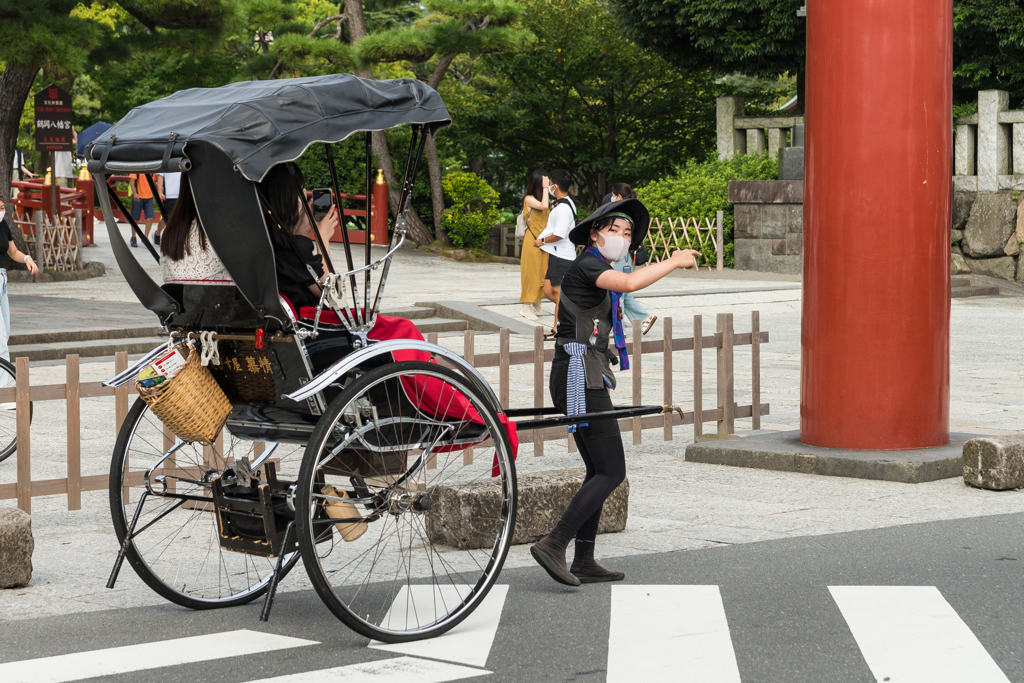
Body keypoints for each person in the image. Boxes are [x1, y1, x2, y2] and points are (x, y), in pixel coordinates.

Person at [530, 198, 699, 586]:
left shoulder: (596, 266)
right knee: (612, 469)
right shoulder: (589, 263)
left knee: (599, 468)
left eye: (626, 234)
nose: (621, 238)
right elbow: (629, 282)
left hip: (582, 370)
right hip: (578, 372)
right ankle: (554, 543)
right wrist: (673, 260)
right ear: (594, 234)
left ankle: (584, 560)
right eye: (613, 231)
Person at [259, 163, 339, 309]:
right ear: (289, 200)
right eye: (299, 193)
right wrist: (322, 238)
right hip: (306, 324)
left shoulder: (265, 241)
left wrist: (302, 232)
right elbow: (328, 291)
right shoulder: (291, 251)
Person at [603, 183, 657, 335]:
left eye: (613, 195)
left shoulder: (620, 213)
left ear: (618, 196)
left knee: (617, 291)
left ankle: (618, 326)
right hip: (626, 257)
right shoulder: (630, 210)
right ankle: (645, 319)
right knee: (622, 292)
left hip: (622, 256)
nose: (611, 197)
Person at [160, 175, 232, 284]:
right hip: (222, 298)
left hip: (181, 298)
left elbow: (168, 280)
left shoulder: (168, 232)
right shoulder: (227, 230)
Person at [0, 198, 39, 395]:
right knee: (0, 338)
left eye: (2, 208)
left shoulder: (3, 225)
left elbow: (12, 251)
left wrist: (26, 258)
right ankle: (3, 391)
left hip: (2, 281)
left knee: (5, 332)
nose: (1, 211)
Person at [533, 169, 576, 341]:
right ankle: (572, 314)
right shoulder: (563, 204)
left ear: (555, 186)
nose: (549, 186)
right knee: (548, 291)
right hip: (555, 256)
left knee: (558, 294)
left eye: (550, 183)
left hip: (563, 256)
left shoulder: (564, 208)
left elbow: (559, 234)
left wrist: (541, 241)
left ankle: (558, 329)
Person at [519, 170, 550, 321]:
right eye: (545, 181)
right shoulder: (529, 199)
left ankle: (537, 301)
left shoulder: (542, 198)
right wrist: (546, 188)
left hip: (543, 242)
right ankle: (526, 306)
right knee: (531, 273)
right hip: (532, 241)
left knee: (542, 272)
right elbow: (544, 206)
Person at [129, 172, 162, 248]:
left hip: (149, 197)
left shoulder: (152, 171)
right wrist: (134, 193)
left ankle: (145, 238)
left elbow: (154, 182)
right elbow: (132, 181)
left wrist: (158, 194)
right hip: (138, 196)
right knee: (135, 218)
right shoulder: (137, 169)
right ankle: (133, 237)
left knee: (150, 217)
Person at [156, 171, 181, 247]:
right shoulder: (166, 159)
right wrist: (159, 192)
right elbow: (160, 175)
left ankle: (174, 240)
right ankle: (158, 233)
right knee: (167, 219)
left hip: (181, 194)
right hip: (169, 194)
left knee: (178, 218)